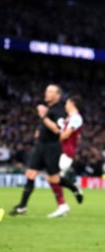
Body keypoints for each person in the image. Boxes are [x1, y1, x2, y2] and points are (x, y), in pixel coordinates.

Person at [10, 84, 66, 217]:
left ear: (58, 95)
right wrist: (39, 129)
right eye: (46, 90)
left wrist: (43, 116)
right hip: (41, 145)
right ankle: (22, 206)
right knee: (30, 174)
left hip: (52, 147)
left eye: (50, 91)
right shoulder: (50, 109)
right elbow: (46, 125)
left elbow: (57, 129)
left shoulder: (59, 110)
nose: (46, 93)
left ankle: (67, 199)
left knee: (53, 178)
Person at [48, 95, 85, 218]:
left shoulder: (76, 118)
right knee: (51, 177)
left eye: (67, 103)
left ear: (72, 104)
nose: (65, 105)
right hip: (60, 151)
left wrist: (52, 140)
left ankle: (69, 194)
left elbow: (65, 135)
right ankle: (62, 205)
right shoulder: (69, 118)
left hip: (66, 152)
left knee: (53, 177)